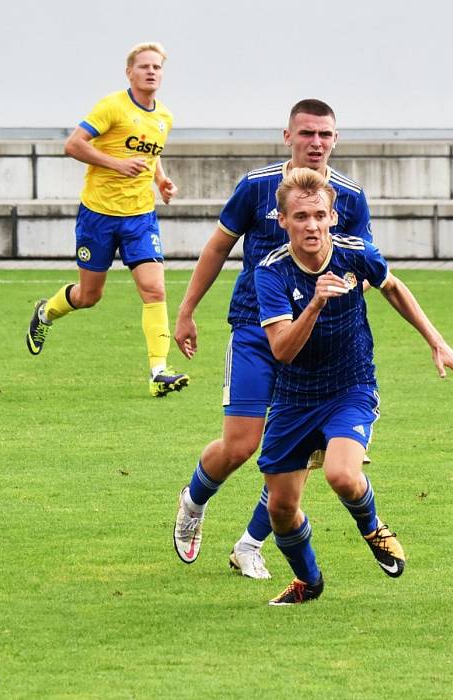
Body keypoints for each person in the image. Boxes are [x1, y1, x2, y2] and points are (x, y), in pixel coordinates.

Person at [255, 168, 453, 604]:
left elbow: (393, 288)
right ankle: (309, 582)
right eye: (300, 216)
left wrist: (437, 342)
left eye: (320, 214)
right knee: (280, 508)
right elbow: (281, 350)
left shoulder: (357, 253)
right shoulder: (271, 273)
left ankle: (373, 527)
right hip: (294, 397)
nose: (312, 225)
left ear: (333, 216)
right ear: (283, 220)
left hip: (350, 387)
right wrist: (316, 303)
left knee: (341, 473)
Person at [172, 100, 372, 579]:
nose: (316, 143)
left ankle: (249, 544)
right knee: (240, 445)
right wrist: (186, 309)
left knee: (297, 450)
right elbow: (219, 246)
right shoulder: (256, 186)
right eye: (307, 133)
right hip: (254, 330)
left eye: (325, 135)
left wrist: (335, 304)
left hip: (316, 344)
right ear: (287, 136)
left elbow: (364, 266)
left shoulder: (349, 197)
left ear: (336, 139)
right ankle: (194, 500)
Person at [25, 42, 188, 398]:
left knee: (155, 289)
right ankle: (46, 313)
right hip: (98, 216)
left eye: (157, 67)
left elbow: (151, 151)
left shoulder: (165, 117)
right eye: (144, 66)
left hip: (140, 217)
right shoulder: (112, 106)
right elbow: (73, 145)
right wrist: (116, 164)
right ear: (129, 72)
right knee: (88, 295)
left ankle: (158, 371)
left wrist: (161, 180)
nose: (151, 72)